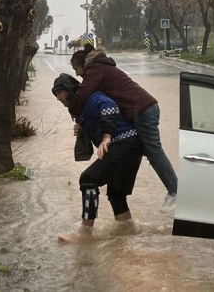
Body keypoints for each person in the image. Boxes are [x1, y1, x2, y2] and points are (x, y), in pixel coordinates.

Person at [69, 44, 178, 213]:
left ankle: (175, 190)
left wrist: (73, 110)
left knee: (154, 150)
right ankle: (173, 190)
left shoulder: (95, 70)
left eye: (76, 68)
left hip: (143, 110)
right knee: (149, 150)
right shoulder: (102, 67)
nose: (77, 74)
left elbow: (83, 93)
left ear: (84, 64)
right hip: (144, 109)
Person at [52, 73, 144, 242]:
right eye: (57, 96)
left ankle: (85, 232)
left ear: (71, 91)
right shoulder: (81, 109)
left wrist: (107, 136)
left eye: (61, 94)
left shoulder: (93, 98)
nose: (60, 99)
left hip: (125, 144)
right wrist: (82, 130)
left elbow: (110, 107)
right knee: (116, 194)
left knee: (88, 179)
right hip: (131, 146)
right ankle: (128, 231)